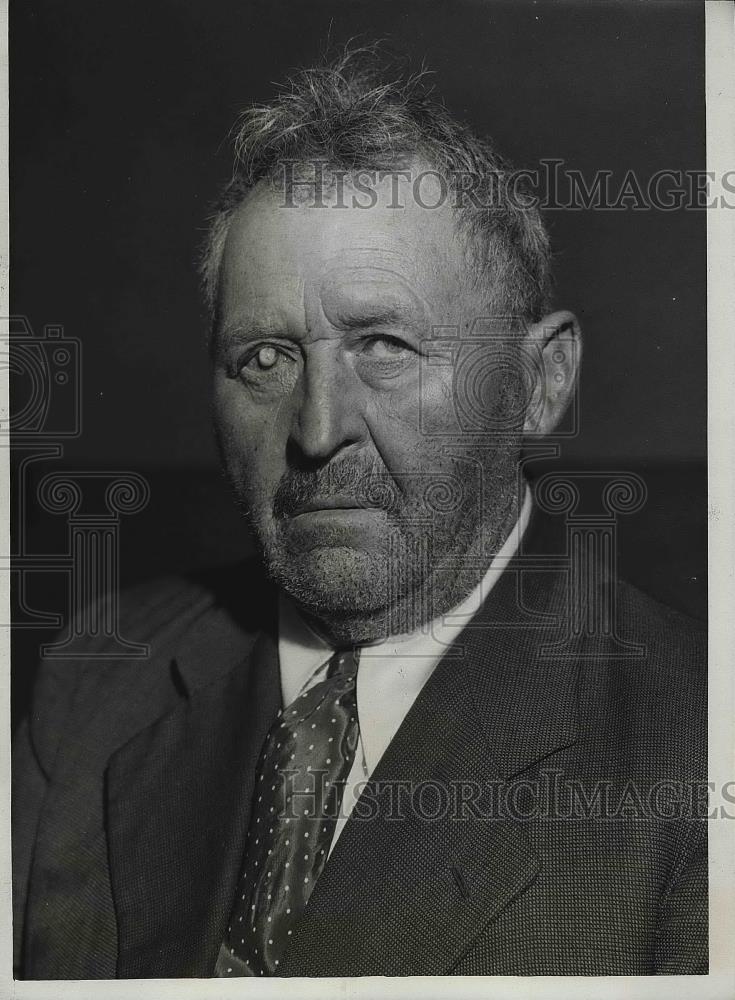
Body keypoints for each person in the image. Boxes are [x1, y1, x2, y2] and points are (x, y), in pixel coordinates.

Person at [12, 47, 707, 978]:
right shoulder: (95, 682)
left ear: (538, 385)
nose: (316, 429)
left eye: (383, 344)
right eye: (265, 357)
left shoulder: (695, 750)